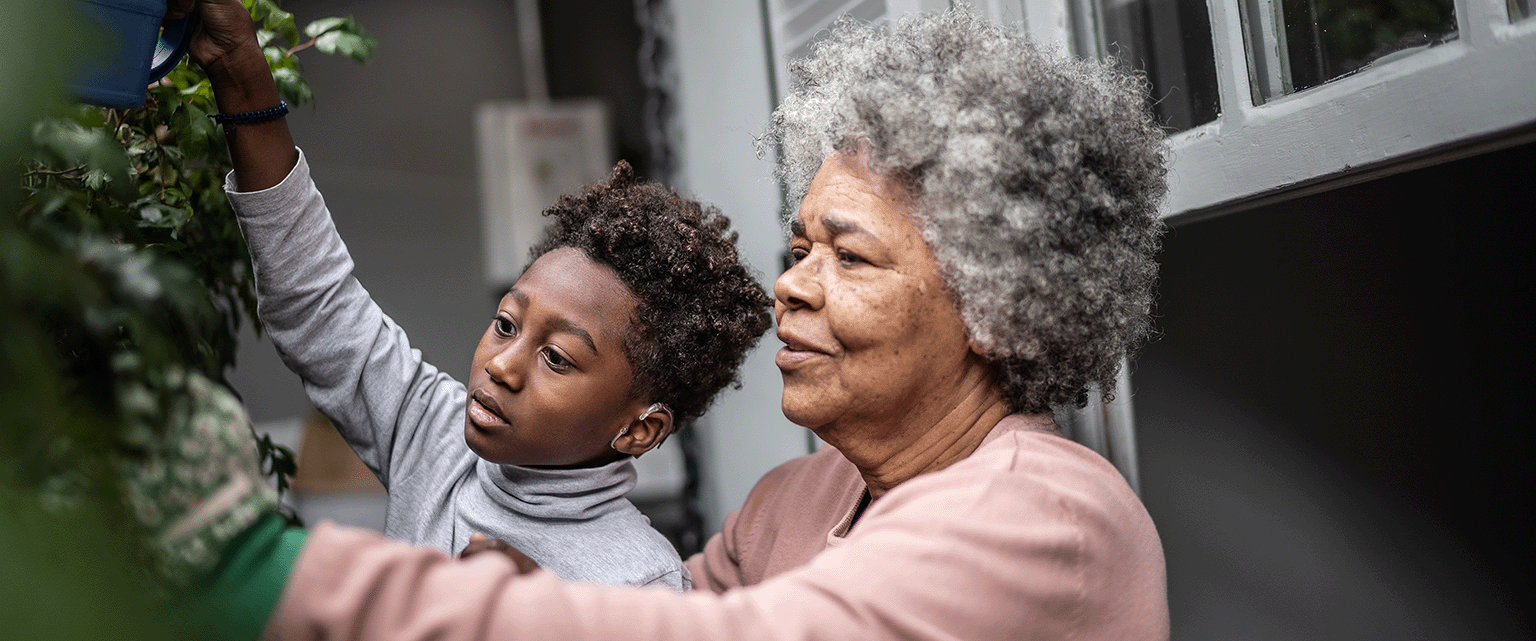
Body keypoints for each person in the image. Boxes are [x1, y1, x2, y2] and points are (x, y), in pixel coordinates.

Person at [173, 3, 1172, 639]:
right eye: (798, 248)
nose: (791, 287)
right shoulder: (796, 499)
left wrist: (265, 573)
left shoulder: (1046, 516)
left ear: (994, 308)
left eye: (851, 255)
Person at [169, 0, 773, 592]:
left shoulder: (643, 584)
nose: (502, 366)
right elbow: (315, 304)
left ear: (639, 430)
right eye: (508, 325)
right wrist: (238, 70)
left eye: (556, 358)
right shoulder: (436, 441)